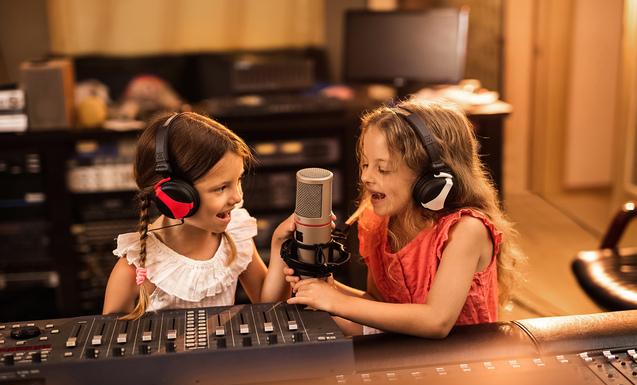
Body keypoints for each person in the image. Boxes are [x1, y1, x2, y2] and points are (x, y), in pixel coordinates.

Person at [286, 99, 524, 338]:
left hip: (462, 355)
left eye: (383, 169)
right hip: (407, 349)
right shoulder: (379, 223)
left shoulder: (466, 230)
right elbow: (379, 304)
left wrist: (338, 302)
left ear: (432, 178)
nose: (366, 177)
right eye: (365, 164)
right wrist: (328, 288)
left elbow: (437, 321)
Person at [103, 112, 294, 319]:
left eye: (238, 180)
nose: (237, 197)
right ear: (174, 195)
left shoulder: (235, 236)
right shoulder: (134, 270)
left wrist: (279, 243)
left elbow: (270, 309)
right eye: (221, 188)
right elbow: (110, 337)